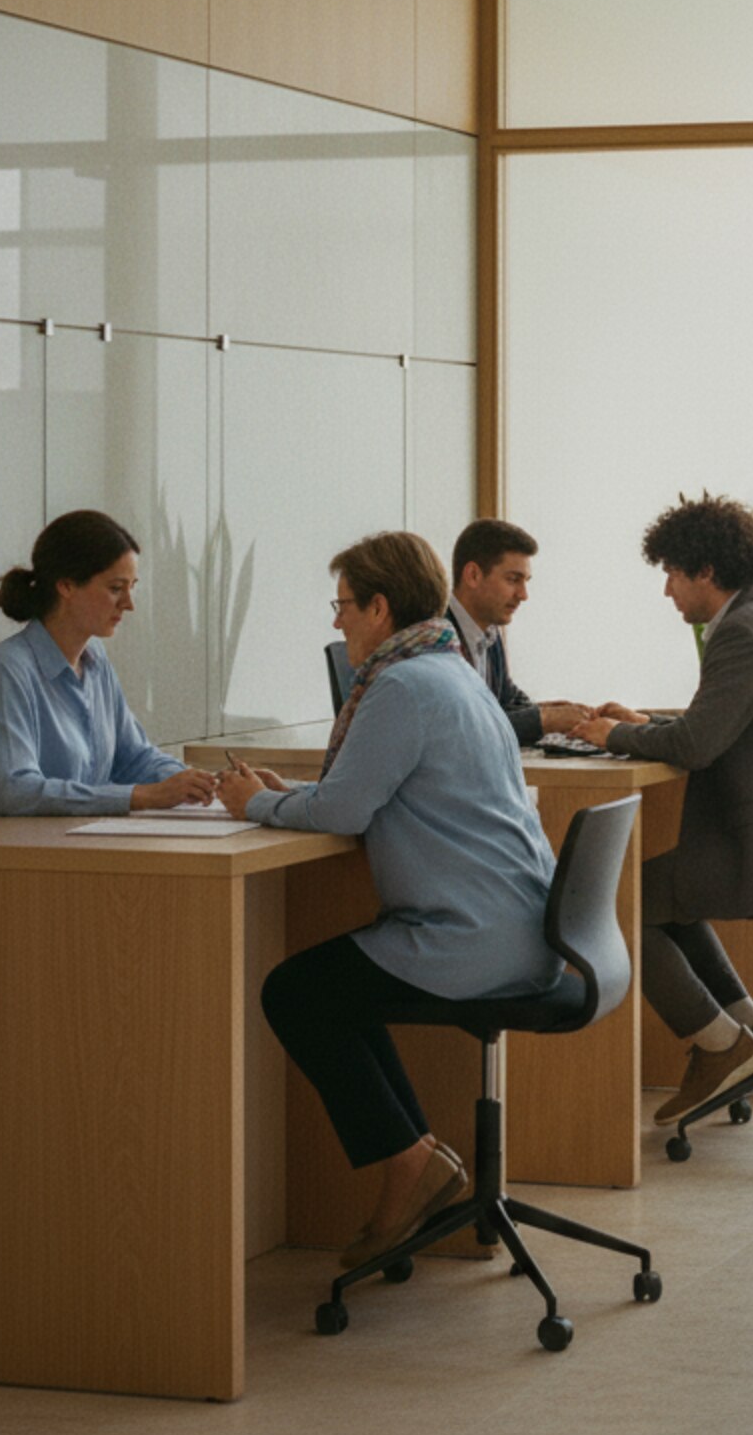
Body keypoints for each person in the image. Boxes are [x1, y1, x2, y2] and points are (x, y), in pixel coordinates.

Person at [219, 531, 560, 1268]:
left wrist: (254, 804)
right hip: (518, 926)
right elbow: (367, 790)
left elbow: (345, 811)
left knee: (296, 991)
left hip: (474, 939)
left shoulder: (401, 686)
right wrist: (292, 794)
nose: (337, 620)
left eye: (343, 605)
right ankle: (416, 1156)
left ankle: (409, 1159)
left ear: (379, 607)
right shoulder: (450, 670)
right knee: (340, 987)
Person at [567, 495, 753, 1127]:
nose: (667, 590)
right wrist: (645, 723)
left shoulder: (742, 634)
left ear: (706, 571)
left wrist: (613, 736)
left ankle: (720, 1044)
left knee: (621, 904)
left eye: (672, 573)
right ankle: (752, 1030)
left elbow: (698, 746)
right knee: (664, 894)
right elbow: (717, 726)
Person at [0, 509, 216, 820]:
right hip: (2, 847)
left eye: (132, 587)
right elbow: (18, 792)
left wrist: (200, 783)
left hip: (75, 840)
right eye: (115, 588)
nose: (129, 604)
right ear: (66, 586)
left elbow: (134, 758)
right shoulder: (6, 669)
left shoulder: (96, 660)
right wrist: (142, 796)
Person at [445, 518, 589, 744]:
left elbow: (506, 701)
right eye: (513, 580)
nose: (523, 595)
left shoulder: (490, 630)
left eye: (526, 581)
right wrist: (544, 719)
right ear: (473, 575)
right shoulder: (437, 636)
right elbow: (465, 727)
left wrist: (555, 712)